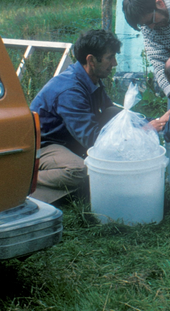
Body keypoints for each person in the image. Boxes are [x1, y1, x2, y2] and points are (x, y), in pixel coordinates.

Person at [28, 29, 122, 205]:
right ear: (91, 60)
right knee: (79, 171)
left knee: (116, 114)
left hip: (67, 139)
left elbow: (109, 109)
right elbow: (91, 139)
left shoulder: (89, 77)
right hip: (42, 146)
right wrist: (124, 148)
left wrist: (148, 124)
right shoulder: (71, 91)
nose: (114, 63)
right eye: (110, 57)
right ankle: (24, 181)